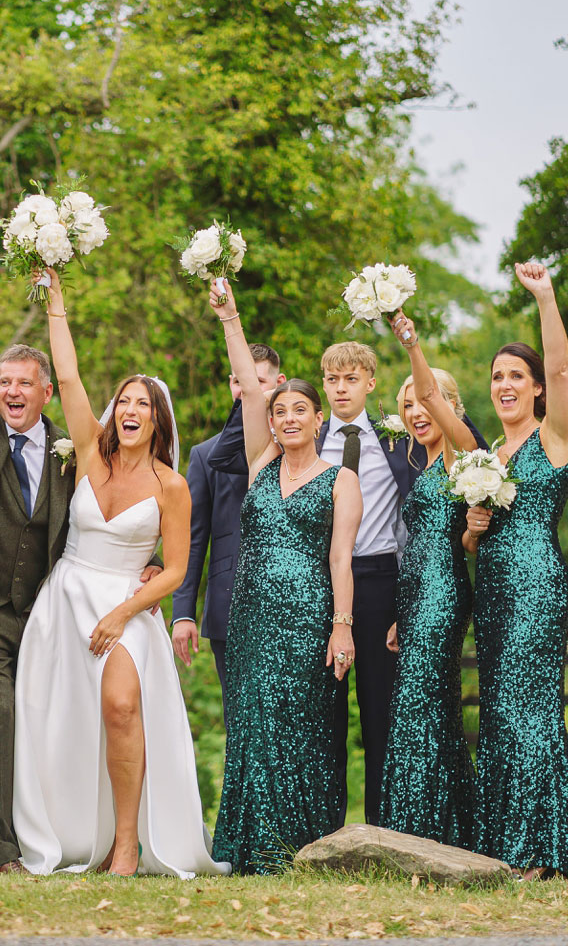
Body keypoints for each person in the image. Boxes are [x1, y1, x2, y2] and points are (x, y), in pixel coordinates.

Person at [0, 281, 160, 871]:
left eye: (24, 384)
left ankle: (58, 833)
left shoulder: (72, 451)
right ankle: (1, 851)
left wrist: (146, 558)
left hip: (48, 612)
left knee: (51, 720)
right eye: (4, 383)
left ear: (46, 393)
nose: (12, 392)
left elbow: (113, 511)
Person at [13, 267, 224, 878]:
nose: (131, 410)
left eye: (143, 404)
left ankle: (127, 843)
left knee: (122, 706)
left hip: (127, 602)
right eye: (125, 401)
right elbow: (71, 376)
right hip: (66, 598)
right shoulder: (88, 451)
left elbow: (179, 568)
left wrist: (126, 610)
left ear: (157, 421)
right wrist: (55, 300)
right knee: (64, 720)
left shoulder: (172, 486)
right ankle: (73, 831)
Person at [208, 280, 361, 873]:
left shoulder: (339, 479)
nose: (289, 417)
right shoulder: (259, 465)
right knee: (253, 724)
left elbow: (341, 560)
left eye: (301, 409)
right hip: (251, 618)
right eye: (281, 411)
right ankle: (253, 848)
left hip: (306, 621)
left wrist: (341, 628)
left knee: (305, 728)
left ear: (319, 418)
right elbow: (249, 387)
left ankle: (301, 846)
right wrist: (230, 318)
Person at [469, 262, 568, 879]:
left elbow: (563, 366)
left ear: (538, 389)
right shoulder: (487, 456)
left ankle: (535, 850)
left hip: (536, 585)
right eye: (497, 377)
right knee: (499, 710)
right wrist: (472, 529)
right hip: (492, 590)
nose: (505, 384)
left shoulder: (555, 438)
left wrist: (545, 298)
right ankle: (504, 841)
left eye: (517, 375)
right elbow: (467, 536)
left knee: (527, 708)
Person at [377, 314, 484, 850]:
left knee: (419, 700)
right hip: (416, 599)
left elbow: (461, 543)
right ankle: (455, 827)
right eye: (407, 408)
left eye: (424, 402)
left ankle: (418, 830)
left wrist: (411, 344)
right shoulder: (419, 466)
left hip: (445, 594)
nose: (415, 412)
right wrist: (401, 610)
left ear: (449, 405)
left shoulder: (465, 453)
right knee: (432, 705)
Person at [172, 341, 285, 730]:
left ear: (279, 383)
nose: (245, 390)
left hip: (295, 605)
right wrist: (183, 611)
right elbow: (193, 536)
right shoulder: (207, 455)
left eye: (256, 382)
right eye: (238, 382)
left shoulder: (301, 446)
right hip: (228, 601)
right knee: (241, 723)